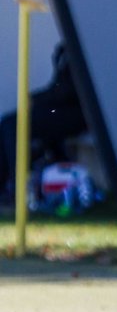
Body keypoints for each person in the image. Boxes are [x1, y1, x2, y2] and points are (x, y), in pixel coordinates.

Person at [0, 44, 87, 203]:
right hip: (61, 109)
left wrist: (37, 99)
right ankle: (8, 184)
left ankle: (19, 186)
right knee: (8, 123)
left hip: (78, 114)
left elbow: (68, 92)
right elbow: (58, 87)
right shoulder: (65, 49)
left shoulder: (84, 47)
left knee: (12, 126)